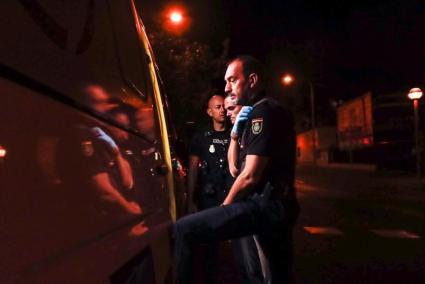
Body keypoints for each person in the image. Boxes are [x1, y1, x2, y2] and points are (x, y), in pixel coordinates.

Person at [174, 55, 299, 284]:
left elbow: (250, 176)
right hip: (261, 204)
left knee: (185, 229)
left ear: (252, 80)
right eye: (225, 81)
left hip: (267, 206)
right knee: (263, 272)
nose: (227, 87)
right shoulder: (253, 114)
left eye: (232, 80)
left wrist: (225, 208)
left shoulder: (265, 111)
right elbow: (235, 169)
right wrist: (234, 134)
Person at [186, 94, 231, 284]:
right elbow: (193, 169)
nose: (222, 110)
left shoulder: (234, 134)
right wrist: (190, 201)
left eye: (224, 107)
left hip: (231, 196)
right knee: (209, 247)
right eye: (217, 107)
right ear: (209, 111)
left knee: (234, 247)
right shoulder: (201, 137)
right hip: (209, 198)